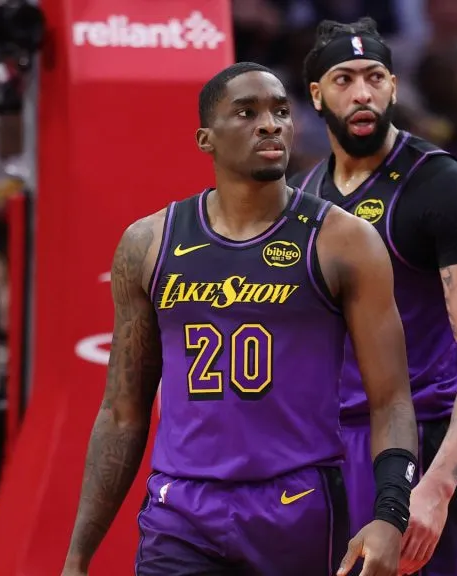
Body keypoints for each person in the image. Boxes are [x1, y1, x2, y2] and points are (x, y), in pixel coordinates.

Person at [61, 62, 419, 576]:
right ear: (205, 139)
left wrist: (391, 515)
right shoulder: (148, 243)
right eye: (247, 113)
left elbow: (391, 401)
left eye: (280, 111)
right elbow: (122, 413)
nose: (270, 124)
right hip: (181, 509)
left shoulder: (343, 241)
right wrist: (77, 556)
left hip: (297, 505)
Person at [291, 18, 457, 576]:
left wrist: (440, 484)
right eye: (343, 79)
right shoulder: (306, 195)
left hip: (428, 442)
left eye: (374, 76)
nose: (362, 92)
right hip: (333, 451)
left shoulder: (442, 185)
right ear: (316, 95)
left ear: (394, 86)